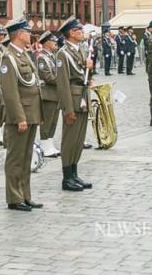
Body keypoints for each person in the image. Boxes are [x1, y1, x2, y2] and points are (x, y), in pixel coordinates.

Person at [0, 18, 42, 211]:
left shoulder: (24, 55)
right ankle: (14, 198)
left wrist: (36, 114)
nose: (30, 35)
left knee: (26, 157)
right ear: (18, 34)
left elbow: (33, 85)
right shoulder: (8, 58)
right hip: (20, 116)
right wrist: (19, 117)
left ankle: (25, 194)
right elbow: (9, 92)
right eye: (27, 32)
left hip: (31, 113)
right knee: (16, 158)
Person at [56, 18, 93, 192]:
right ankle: (66, 177)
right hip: (72, 99)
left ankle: (74, 173)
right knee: (70, 139)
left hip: (83, 98)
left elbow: (84, 76)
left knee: (79, 139)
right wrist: (67, 109)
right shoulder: (63, 54)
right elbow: (63, 83)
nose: (82, 32)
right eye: (79, 29)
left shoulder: (81, 49)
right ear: (71, 33)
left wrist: (90, 68)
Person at [35, 31, 61, 158]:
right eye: (53, 41)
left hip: (55, 93)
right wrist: (63, 80)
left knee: (54, 121)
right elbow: (47, 76)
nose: (56, 43)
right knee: (47, 121)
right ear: (46, 43)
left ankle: (50, 143)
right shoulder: (41, 57)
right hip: (47, 93)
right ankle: (45, 145)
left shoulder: (52, 56)